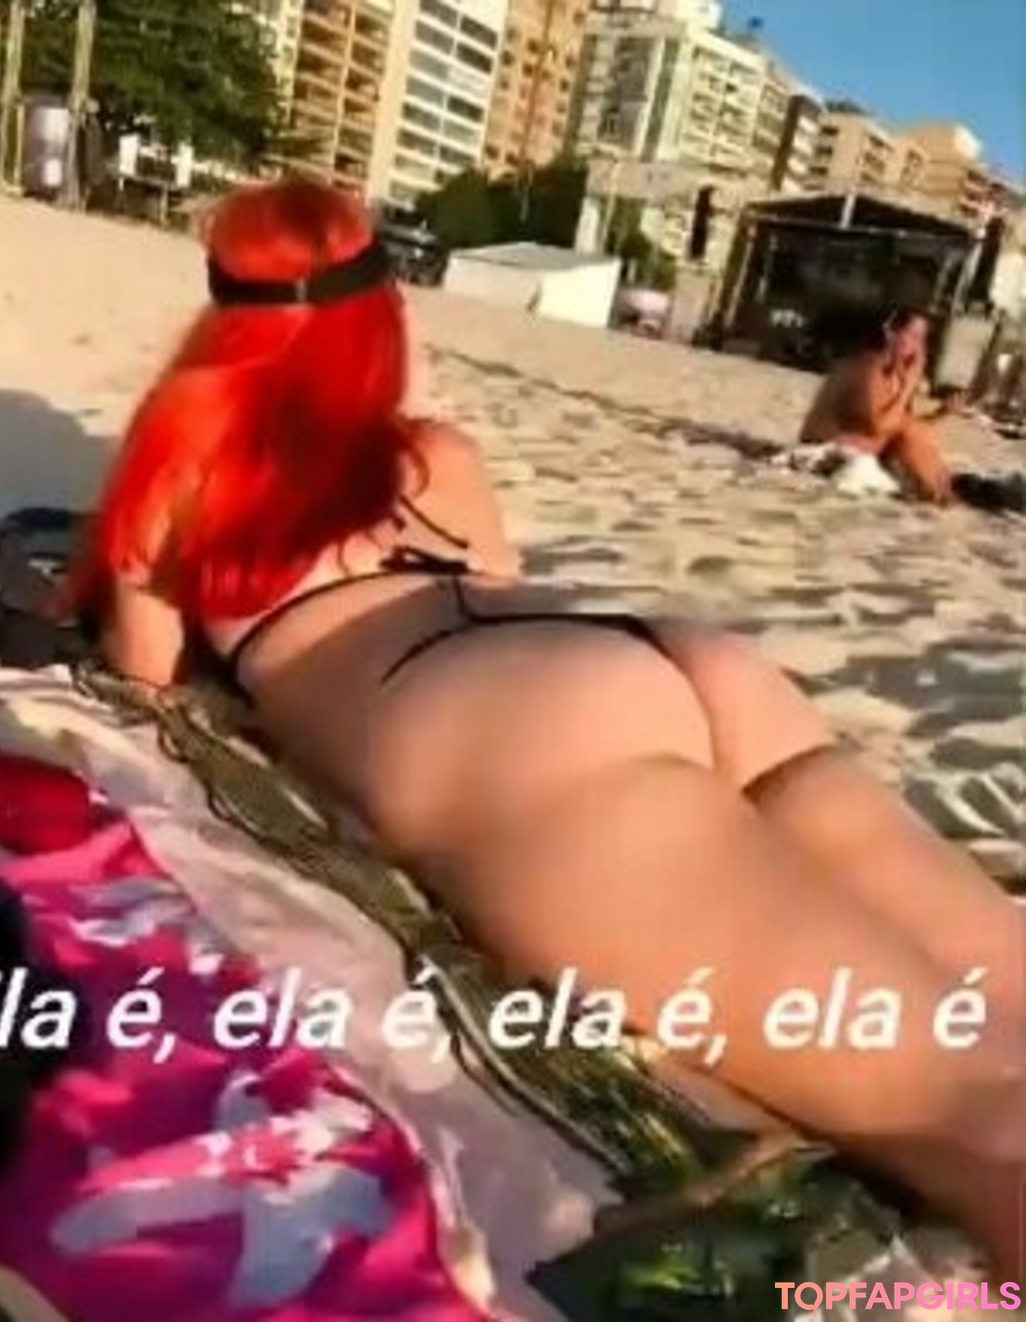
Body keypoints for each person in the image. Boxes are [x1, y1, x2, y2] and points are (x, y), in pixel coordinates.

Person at [71, 181, 1024, 1283]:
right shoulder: (437, 454)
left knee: (972, 1109)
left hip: (506, 724)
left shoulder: (185, 469)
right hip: (668, 659)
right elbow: (486, 581)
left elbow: (146, 668)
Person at [800, 308, 958, 504]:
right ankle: (937, 490)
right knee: (910, 437)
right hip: (824, 448)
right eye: (911, 335)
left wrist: (940, 414)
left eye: (920, 340)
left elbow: (897, 423)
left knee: (914, 436)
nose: (915, 346)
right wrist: (909, 385)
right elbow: (879, 426)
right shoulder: (869, 366)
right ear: (890, 332)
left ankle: (941, 487)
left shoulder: (894, 374)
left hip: (858, 452)